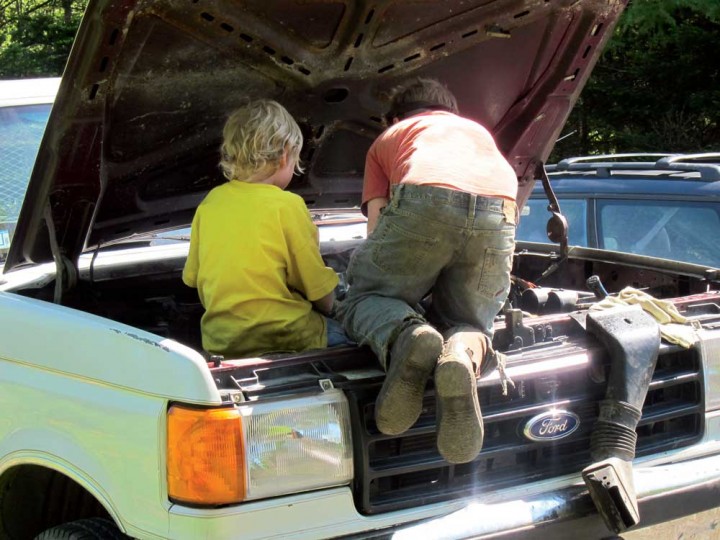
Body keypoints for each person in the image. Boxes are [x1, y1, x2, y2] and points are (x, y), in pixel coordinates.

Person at [337, 78, 518, 464]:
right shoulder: (478, 133)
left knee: (366, 298)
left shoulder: (393, 135)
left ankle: (411, 336)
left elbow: (377, 229)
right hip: (499, 210)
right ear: (450, 112)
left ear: (396, 117)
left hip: (425, 198)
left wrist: (378, 283)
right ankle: (460, 353)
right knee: (468, 319)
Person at [183, 99, 347, 359]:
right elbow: (315, 285)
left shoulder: (211, 202)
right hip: (289, 335)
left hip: (223, 342)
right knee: (360, 337)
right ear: (284, 154)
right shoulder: (287, 205)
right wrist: (340, 308)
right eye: (295, 160)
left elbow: (193, 278)